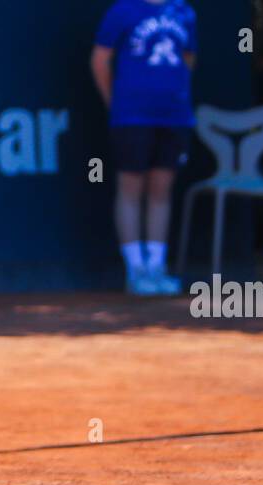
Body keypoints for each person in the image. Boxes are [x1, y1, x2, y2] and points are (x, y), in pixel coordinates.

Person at [91, 0, 197, 295]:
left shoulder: (184, 12)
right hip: (131, 117)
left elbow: (188, 59)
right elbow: (100, 61)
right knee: (130, 188)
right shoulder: (121, 11)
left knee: (161, 189)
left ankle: (157, 267)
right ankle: (136, 269)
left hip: (175, 117)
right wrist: (116, 105)